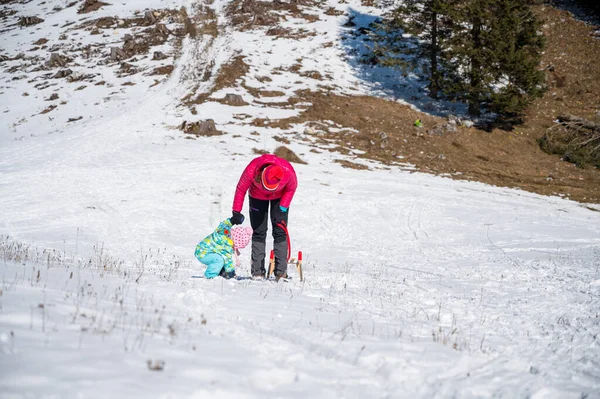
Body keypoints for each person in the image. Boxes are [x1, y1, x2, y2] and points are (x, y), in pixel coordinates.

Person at [231, 154, 298, 280]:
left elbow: (291, 188)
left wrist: (282, 207)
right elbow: (241, 189)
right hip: (257, 197)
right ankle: (257, 272)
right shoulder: (252, 169)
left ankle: (281, 272)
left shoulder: (288, 171)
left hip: (279, 198)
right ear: (261, 176)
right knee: (259, 231)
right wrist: (236, 211)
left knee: (280, 232)